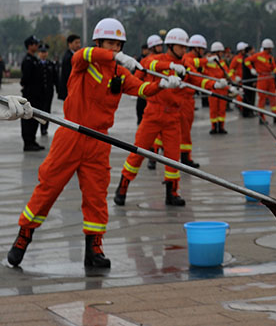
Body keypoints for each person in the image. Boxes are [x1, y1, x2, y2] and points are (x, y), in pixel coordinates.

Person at [6, 18, 181, 269]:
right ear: (99, 42)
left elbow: (141, 89)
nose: (114, 48)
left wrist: (162, 84)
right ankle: (24, 237)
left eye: (118, 44)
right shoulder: (84, 62)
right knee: (48, 187)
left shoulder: (120, 72)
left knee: (97, 196)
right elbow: (85, 53)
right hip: (71, 135)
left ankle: (94, 248)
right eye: (109, 43)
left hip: (99, 140)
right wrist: (115, 57)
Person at [114, 28, 223, 207]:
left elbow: (197, 81)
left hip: (173, 116)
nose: (183, 50)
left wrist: (216, 85)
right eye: (180, 47)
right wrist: (171, 67)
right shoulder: (157, 59)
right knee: (138, 152)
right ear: (171, 46)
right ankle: (123, 187)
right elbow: (149, 64)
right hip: (153, 114)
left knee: (173, 157)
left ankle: (172, 193)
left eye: (185, 47)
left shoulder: (184, 66)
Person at [179, 34, 208, 167]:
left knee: (185, 130)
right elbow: (197, 78)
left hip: (188, 99)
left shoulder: (191, 59)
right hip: (183, 99)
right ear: (196, 48)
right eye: (202, 49)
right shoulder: (188, 59)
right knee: (184, 131)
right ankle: (185, 158)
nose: (203, 52)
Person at [203, 41, 240, 134]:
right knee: (213, 109)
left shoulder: (222, 62)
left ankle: (221, 126)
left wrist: (233, 83)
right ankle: (214, 127)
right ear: (216, 52)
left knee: (222, 110)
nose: (222, 54)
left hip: (222, 89)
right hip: (213, 88)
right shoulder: (208, 62)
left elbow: (227, 74)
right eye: (221, 52)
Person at [245, 38, 276, 124]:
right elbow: (247, 61)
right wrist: (252, 69)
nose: (271, 50)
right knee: (262, 99)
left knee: (273, 98)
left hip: (269, 78)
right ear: (268, 48)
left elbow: (274, 67)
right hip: (262, 78)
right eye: (271, 48)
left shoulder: (270, 57)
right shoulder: (257, 56)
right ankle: (261, 118)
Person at [20, 35, 45, 151]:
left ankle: (32, 140)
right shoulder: (28, 61)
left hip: (37, 95)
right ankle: (28, 142)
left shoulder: (34, 60)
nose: (37, 46)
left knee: (35, 118)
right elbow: (25, 79)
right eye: (35, 44)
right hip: (30, 95)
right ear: (30, 46)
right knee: (28, 118)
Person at [37, 44, 59, 135]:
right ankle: (37, 128)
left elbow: (56, 78)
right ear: (39, 53)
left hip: (48, 92)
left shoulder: (51, 64)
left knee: (46, 110)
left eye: (45, 52)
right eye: (42, 52)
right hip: (38, 92)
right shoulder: (36, 64)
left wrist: (58, 90)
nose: (43, 54)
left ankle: (44, 128)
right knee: (38, 110)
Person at [58, 34, 81, 101]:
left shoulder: (75, 55)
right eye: (76, 43)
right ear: (70, 44)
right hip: (70, 91)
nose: (78, 45)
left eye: (79, 42)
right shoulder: (69, 57)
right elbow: (70, 76)